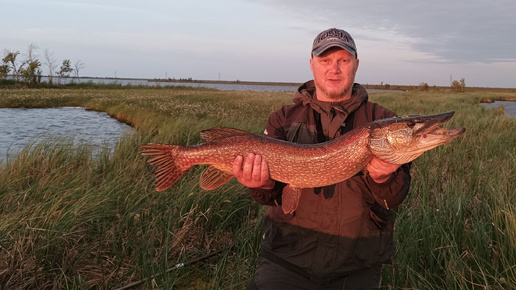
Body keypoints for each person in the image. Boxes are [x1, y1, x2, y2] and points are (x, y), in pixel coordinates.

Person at [232, 28, 411, 289]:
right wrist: (262, 185)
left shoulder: (382, 122)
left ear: (356, 65)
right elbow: (270, 197)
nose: (334, 69)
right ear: (312, 65)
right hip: (286, 258)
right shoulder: (282, 118)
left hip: (357, 263)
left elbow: (393, 199)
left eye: (343, 61)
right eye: (325, 61)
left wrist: (384, 178)